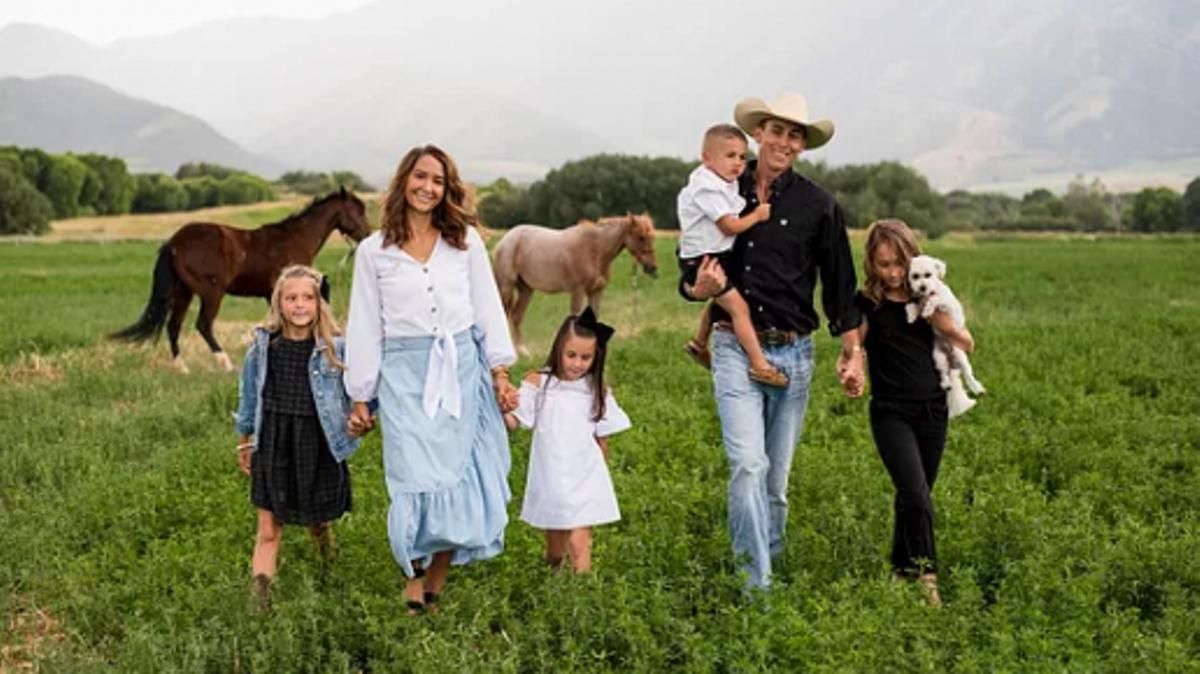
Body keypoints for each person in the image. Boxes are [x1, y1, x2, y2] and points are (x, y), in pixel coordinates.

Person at [688, 93, 864, 589]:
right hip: (732, 347)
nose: (783, 141)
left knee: (775, 484)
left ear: (802, 146)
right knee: (747, 465)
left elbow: (841, 286)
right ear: (758, 134)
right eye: (775, 131)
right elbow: (692, 259)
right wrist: (693, 288)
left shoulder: (819, 206)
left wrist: (854, 353)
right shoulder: (720, 188)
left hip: (794, 353)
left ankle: (772, 559)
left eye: (794, 135)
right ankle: (755, 587)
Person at [344, 144, 518, 616]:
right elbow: (364, 325)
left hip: (462, 368)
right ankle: (411, 579)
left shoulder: (466, 243)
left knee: (457, 475)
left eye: (438, 181)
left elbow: (487, 309)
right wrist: (361, 395)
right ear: (403, 181)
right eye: (420, 177)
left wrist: (499, 371)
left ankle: (433, 588)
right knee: (412, 478)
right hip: (404, 375)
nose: (428, 187)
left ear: (448, 190)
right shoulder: (373, 252)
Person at [844, 219, 976, 607]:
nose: (894, 273)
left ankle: (900, 574)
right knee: (917, 496)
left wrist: (940, 321)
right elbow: (852, 349)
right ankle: (928, 580)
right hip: (890, 412)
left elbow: (968, 342)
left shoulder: (929, 297)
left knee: (913, 496)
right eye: (884, 264)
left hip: (933, 409)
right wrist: (852, 369)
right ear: (872, 263)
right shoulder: (866, 303)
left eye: (899, 263)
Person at [234, 265, 370, 611]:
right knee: (268, 528)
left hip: (317, 442)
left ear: (318, 304)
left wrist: (360, 417)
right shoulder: (263, 350)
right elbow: (249, 397)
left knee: (317, 520)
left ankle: (327, 564)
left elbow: (365, 390)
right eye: (291, 298)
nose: (299, 305)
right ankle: (259, 600)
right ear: (279, 303)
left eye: (307, 298)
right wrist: (244, 439)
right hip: (274, 442)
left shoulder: (335, 349)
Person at [505, 308, 631, 573]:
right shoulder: (539, 383)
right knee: (555, 549)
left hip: (585, 474)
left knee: (579, 539)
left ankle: (582, 596)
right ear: (559, 349)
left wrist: (600, 476)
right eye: (571, 355)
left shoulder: (595, 390)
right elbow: (516, 422)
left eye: (586, 357)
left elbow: (602, 438)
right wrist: (504, 404)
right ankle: (553, 576)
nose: (577, 363)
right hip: (552, 475)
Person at [677, 124, 784, 387]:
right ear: (707, 159)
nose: (738, 164)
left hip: (714, 254)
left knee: (723, 300)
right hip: (704, 259)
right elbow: (728, 226)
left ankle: (699, 343)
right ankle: (760, 364)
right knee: (739, 309)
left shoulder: (722, 182)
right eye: (730, 156)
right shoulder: (707, 188)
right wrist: (757, 216)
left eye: (741, 157)